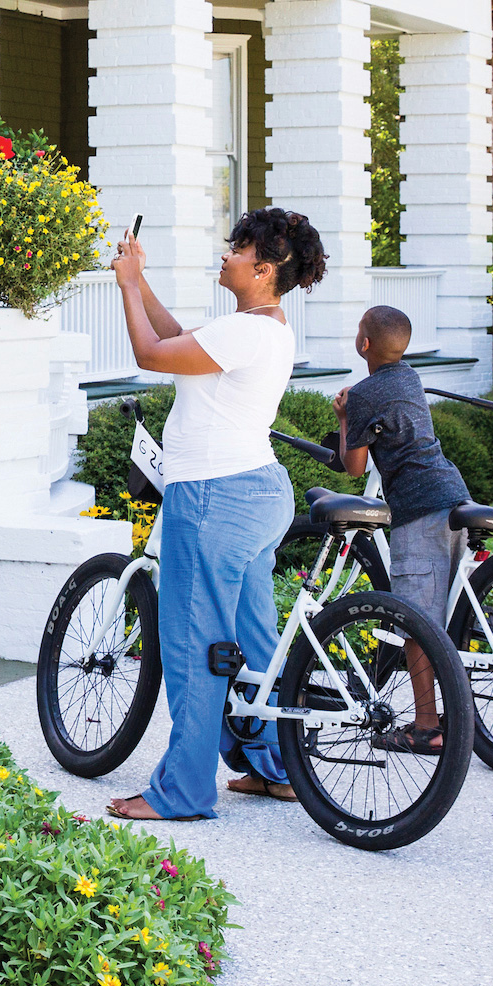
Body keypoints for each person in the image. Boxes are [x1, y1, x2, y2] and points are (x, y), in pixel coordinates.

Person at [104, 207, 328, 821]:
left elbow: (151, 355)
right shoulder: (261, 328)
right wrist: (142, 279)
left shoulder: (245, 332)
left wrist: (124, 285)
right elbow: (177, 341)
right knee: (253, 639)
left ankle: (183, 792)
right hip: (255, 494)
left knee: (193, 645)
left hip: (209, 498)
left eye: (238, 248)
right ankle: (275, 768)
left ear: (265, 267)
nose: (225, 255)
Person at [332, 305, 473, 754]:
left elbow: (354, 469)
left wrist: (343, 418)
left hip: (417, 508)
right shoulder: (409, 377)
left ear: (364, 344)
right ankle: (449, 710)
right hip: (453, 494)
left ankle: (426, 727)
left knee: (416, 620)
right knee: (441, 610)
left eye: (359, 331)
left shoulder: (364, 393)